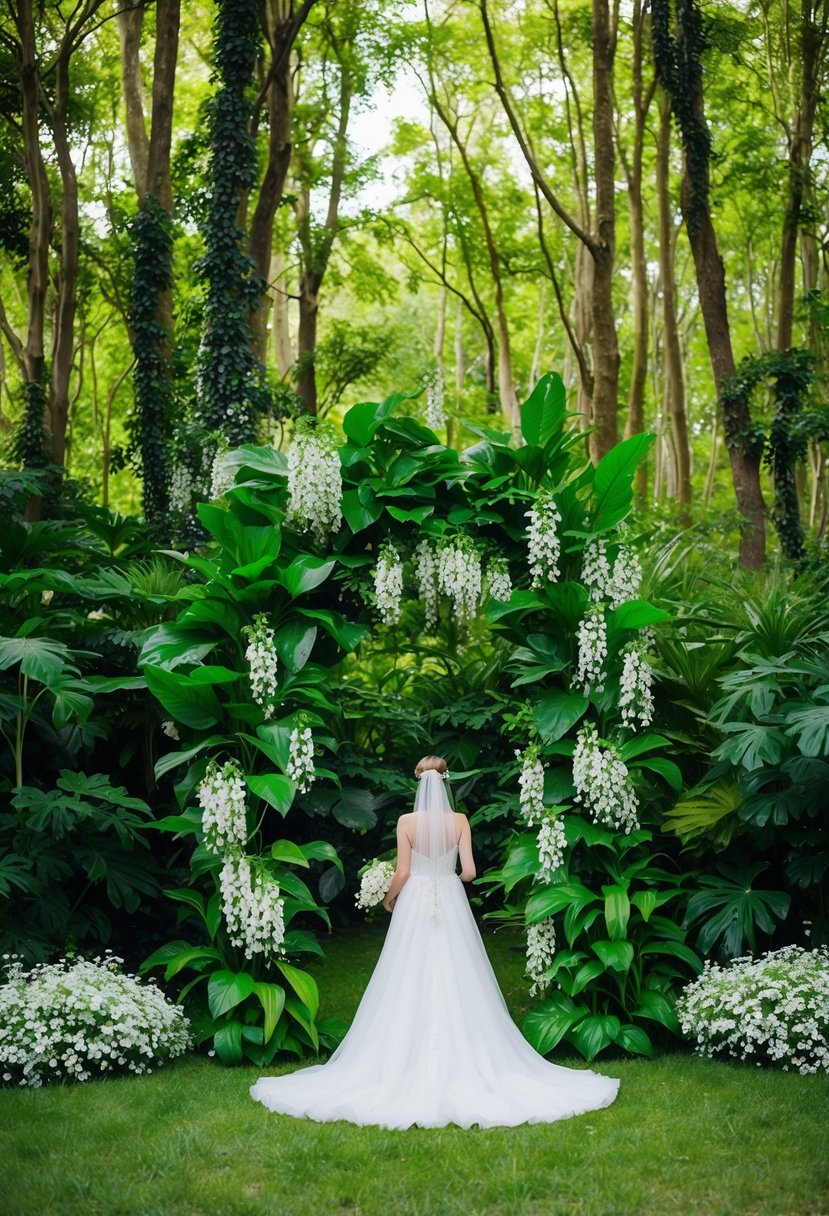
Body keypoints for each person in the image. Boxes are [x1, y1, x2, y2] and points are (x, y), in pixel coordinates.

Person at [250, 754, 619, 1129]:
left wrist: (389, 897)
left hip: (415, 902)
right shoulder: (459, 821)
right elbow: (470, 872)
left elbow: (404, 871)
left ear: (419, 782)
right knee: (460, 972)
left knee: (405, 973)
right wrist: (448, 882)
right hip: (450, 899)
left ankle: (401, 1057)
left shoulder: (406, 822)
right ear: (445, 781)